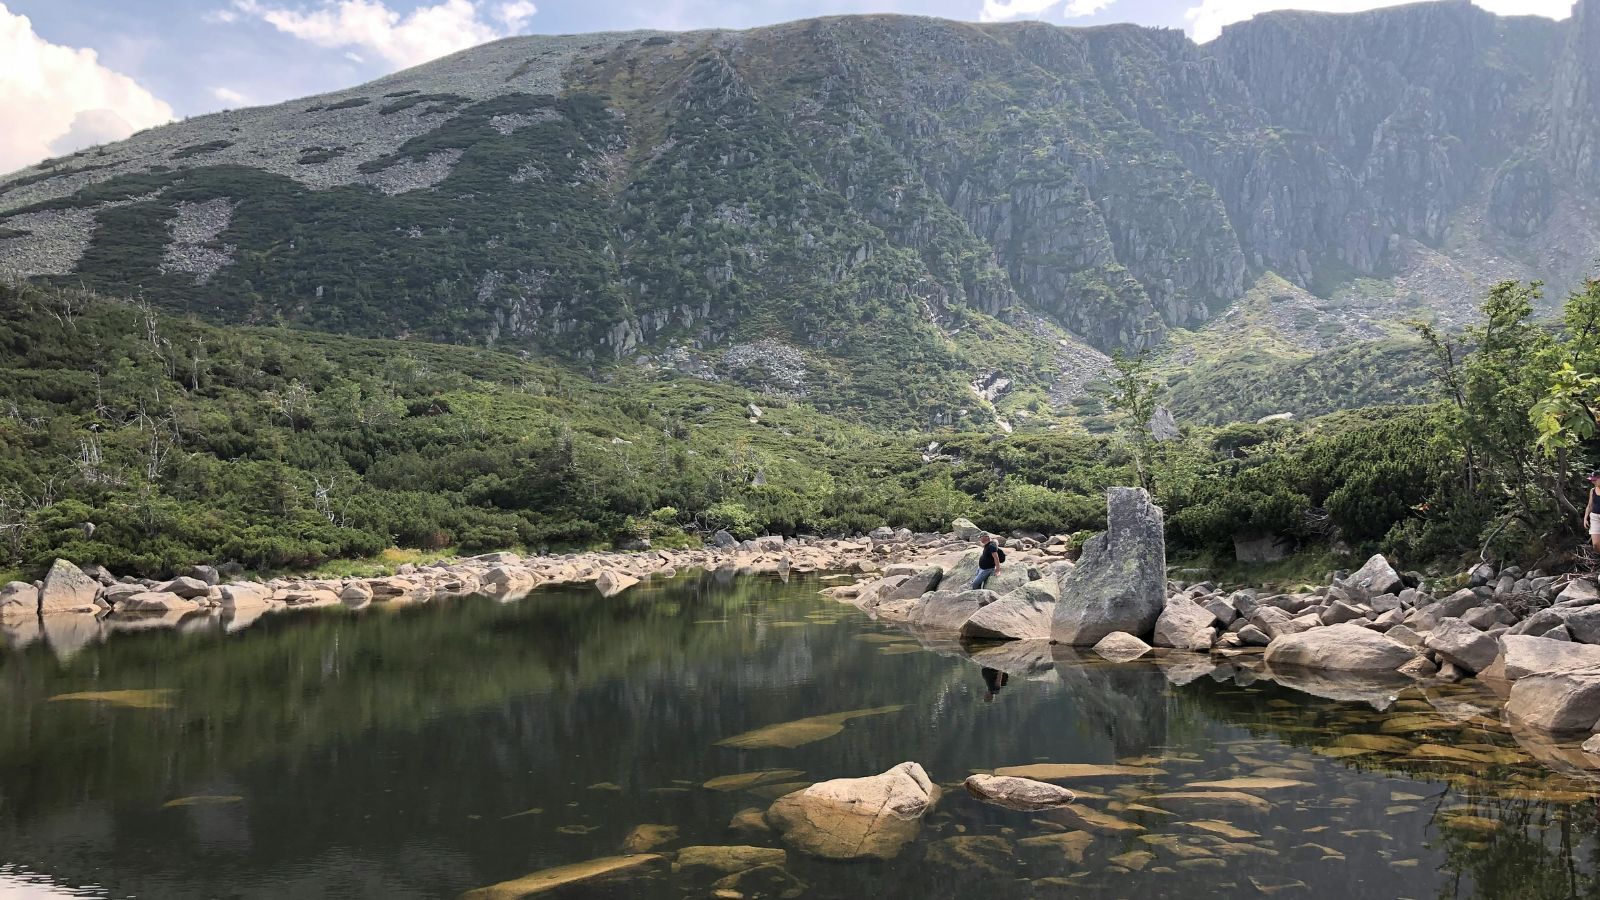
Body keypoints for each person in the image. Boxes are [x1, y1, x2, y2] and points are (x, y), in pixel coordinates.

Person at [1585, 471, 1600, 554]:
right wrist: (1585, 518)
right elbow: (1590, 505)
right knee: (1596, 545)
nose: (1593, 482)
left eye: (1595, 480)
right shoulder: (1592, 490)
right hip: (1594, 517)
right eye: (1592, 480)